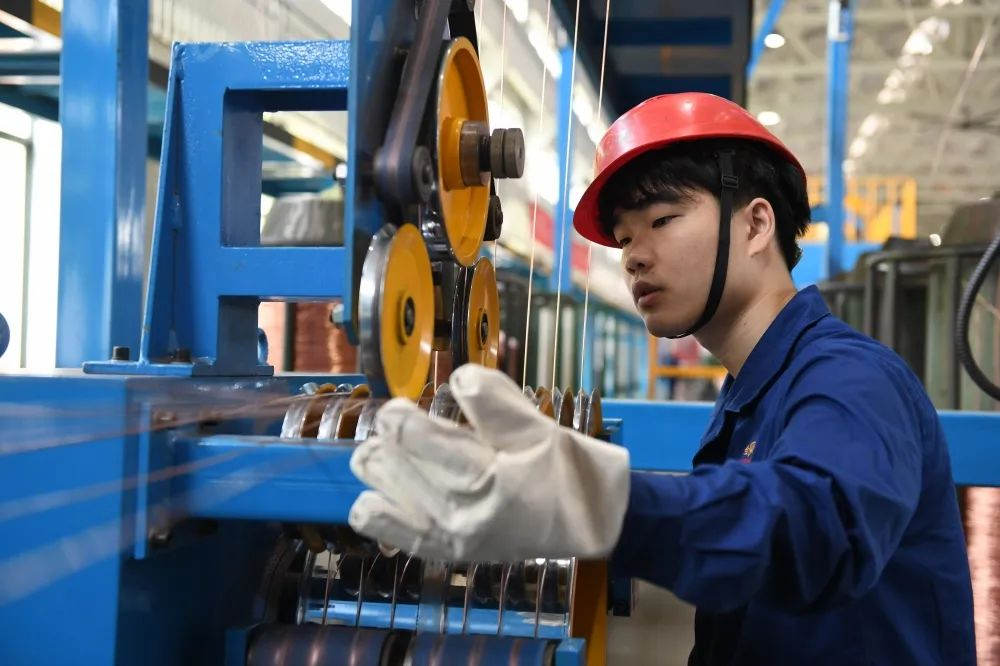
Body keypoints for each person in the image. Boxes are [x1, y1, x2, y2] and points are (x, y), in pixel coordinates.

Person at [348, 93, 975, 665]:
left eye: (663, 220)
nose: (633, 257)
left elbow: (817, 528)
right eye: (624, 238)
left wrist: (604, 503)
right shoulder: (747, 398)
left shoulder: (849, 376)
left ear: (757, 225)